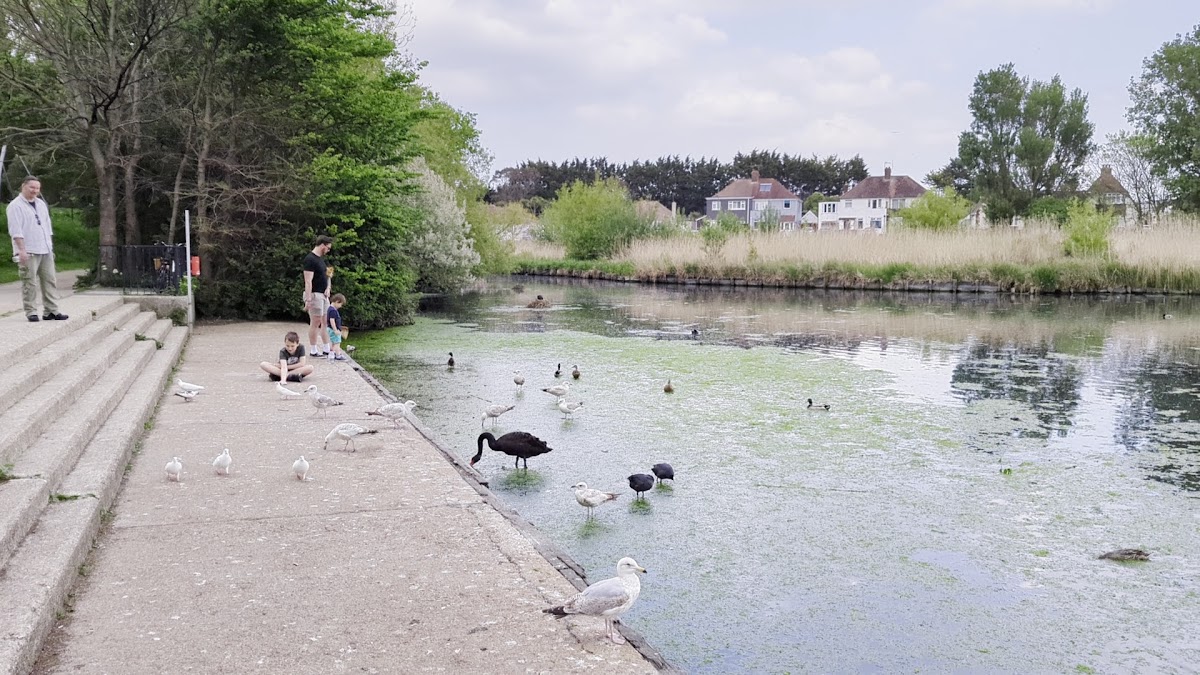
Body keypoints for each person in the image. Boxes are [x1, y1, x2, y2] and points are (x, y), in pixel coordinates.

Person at [7, 176, 68, 322]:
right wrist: (21, 250)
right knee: (29, 282)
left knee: (50, 280)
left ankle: (51, 311)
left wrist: (50, 247)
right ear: (24, 186)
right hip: (28, 250)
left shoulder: (41, 204)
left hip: (45, 248)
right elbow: (16, 230)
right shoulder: (15, 206)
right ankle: (31, 311)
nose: (35, 191)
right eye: (32, 187)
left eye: (37, 188)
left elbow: (47, 226)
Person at [302, 235, 333, 356]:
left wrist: (328, 288)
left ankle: (326, 347)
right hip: (315, 294)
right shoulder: (310, 259)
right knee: (316, 321)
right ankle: (313, 349)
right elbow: (308, 281)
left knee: (325, 321)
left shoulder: (322, 260)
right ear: (322, 245)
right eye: (328, 248)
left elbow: (329, 275)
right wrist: (308, 299)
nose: (328, 250)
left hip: (324, 295)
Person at [326, 293, 350, 361]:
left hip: (330, 328)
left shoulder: (330, 309)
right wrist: (335, 330)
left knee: (333, 342)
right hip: (333, 329)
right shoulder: (333, 310)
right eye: (341, 304)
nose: (340, 306)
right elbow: (332, 321)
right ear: (337, 301)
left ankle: (331, 354)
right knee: (337, 343)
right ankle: (338, 355)